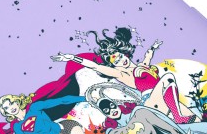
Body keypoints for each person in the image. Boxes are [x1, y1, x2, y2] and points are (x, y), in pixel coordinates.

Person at [51, 27, 200, 124]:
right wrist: (72, 58)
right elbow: (95, 66)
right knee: (168, 78)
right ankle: (177, 116)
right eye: (115, 61)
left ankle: (178, 117)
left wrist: (153, 47)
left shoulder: (142, 67)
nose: (121, 61)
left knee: (197, 121)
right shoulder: (120, 73)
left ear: (124, 53)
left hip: (167, 98)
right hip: (151, 101)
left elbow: (148, 56)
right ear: (113, 66)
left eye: (120, 56)